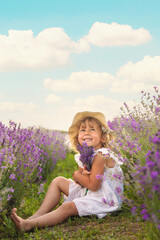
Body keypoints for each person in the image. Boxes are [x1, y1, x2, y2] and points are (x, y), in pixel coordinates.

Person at [10, 111, 123, 232]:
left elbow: (93, 186)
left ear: (103, 136)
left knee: (67, 207)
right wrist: (80, 176)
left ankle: (28, 225)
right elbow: (80, 182)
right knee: (58, 181)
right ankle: (37, 216)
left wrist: (77, 175)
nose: (86, 133)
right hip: (90, 193)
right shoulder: (87, 154)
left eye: (92, 129)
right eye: (83, 130)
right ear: (77, 136)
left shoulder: (101, 155)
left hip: (104, 199)